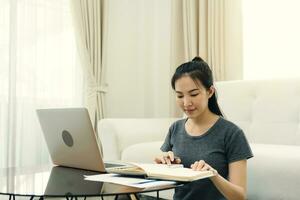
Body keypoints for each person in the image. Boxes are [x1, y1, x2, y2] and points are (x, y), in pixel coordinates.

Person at [154, 57, 253, 200]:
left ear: (210, 91)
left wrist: (213, 175)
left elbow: (240, 196)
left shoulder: (232, 133)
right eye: (180, 95)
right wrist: (163, 166)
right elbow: (167, 183)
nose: (186, 103)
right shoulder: (175, 128)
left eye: (194, 94)